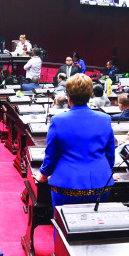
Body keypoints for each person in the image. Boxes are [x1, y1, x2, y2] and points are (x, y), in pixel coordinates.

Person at [36, 74, 115, 210]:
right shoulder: (105, 119)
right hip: (101, 185)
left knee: (64, 227)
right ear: (91, 94)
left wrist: (43, 175)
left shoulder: (58, 120)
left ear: (68, 95)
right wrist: (107, 172)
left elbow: (51, 154)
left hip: (67, 186)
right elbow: (110, 154)